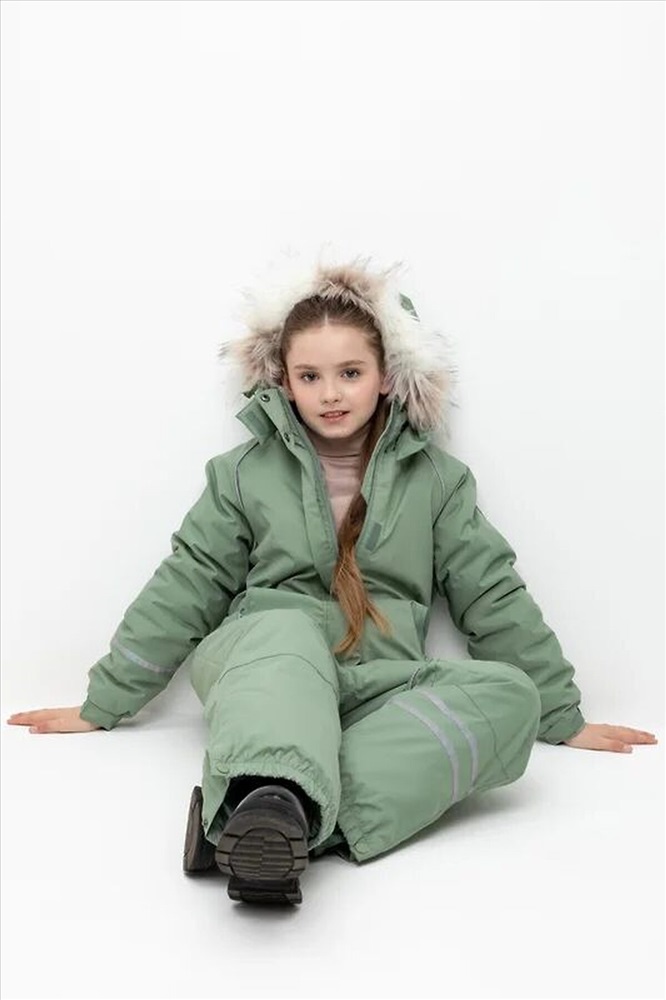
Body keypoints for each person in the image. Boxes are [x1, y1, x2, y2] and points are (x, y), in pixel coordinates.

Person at [7, 247, 658, 906]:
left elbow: (489, 590)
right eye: (310, 376)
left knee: (510, 696)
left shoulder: (437, 482)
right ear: (283, 382)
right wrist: (104, 701)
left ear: (386, 376)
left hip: (377, 683)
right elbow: (188, 581)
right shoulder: (243, 474)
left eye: (350, 372)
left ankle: (265, 822)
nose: (331, 393)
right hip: (269, 669)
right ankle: (271, 800)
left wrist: (559, 712)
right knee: (286, 628)